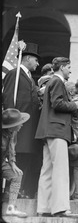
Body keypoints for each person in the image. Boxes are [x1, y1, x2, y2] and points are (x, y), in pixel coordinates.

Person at [35, 57, 78, 217]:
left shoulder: (52, 82)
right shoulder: (57, 82)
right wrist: (75, 105)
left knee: (47, 169)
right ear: (61, 67)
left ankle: (44, 208)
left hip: (50, 131)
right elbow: (57, 104)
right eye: (68, 67)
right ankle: (60, 208)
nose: (70, 70)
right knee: (60, 170)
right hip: (57, 130)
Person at [2, 42, 41, 198]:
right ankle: (9, 193)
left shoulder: (29, 78)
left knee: (24, 157)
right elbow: (9, 98)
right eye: (36, 60)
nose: (38, 64)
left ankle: (17, 191)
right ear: (28, 58)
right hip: (18, 125)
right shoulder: (15, 73)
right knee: (15, 157)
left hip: (28, 126)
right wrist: (11, 123)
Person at [2, 108, 30, 218]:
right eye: (19, 123)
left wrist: (12, 163)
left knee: (17, 175)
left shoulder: (12, 132)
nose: (21, 125)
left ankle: (11, 208)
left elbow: (11, 147)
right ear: (11, 125)